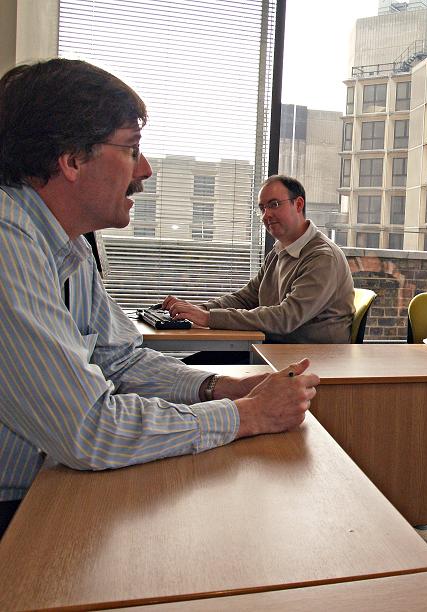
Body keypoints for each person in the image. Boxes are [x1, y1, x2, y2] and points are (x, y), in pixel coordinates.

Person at [0, 59, 319, 539]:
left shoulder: (68, 242)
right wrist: (246, 414)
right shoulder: (9, 243)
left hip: (40, 484)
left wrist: (220, 389)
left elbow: (120, 360)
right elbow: (90, 429)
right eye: (131, 150)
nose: (145, 171)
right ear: (70, 159)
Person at [162, 174, 355, 360]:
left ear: (298, 204)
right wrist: (196, 310)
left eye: (274, 205)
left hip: (310, 361)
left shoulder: (322, 257)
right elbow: (246, 298)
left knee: (193, 380)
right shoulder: (280, 251)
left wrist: (208, 317)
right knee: (186, 370)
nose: (266, 215)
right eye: (262, 208)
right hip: (275, 350)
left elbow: (285, 318)